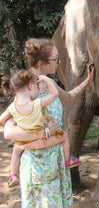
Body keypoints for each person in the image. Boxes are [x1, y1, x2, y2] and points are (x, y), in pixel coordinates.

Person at [5, 38, 94, 187]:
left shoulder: (49, 83)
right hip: (36, 159)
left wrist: (88, 80)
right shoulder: (27, 87)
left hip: (54, 154)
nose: (59, 62)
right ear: (41, 63)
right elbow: (9, 129)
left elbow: (68, 97)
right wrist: (44, 133)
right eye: (55, 59)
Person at [1, 71, 78, 170]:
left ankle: (13, 174)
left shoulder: (12, 107)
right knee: (64, 136)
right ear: (30, 86)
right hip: (45, 138)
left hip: (25, 141)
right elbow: (54, 94)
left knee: (16, 150)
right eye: (37, 87)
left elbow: (2, 119)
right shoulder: (36, 104)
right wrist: (46, 79)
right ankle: (67, 161)